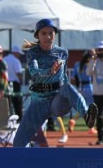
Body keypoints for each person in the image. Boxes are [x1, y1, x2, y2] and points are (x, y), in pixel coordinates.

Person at [13, 19, 98, 147]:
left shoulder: (63, 53)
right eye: (44, 33)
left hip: (57, 102)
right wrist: (50, 71)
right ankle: (28, 162)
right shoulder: (32, 53)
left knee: (67, 87)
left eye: (51, 33)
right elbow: (34, 72)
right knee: (18, 143)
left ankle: (87, 116)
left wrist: (72, 95)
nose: (48, 37)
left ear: (55, 34)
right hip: (39, 102)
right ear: (37, 36)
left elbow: (63, 77)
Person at [69, 49, 96, 134]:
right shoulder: (90, 64)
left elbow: (72, 79)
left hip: (80, 88)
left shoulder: (77, 64)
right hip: (89, 87)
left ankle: (74, 120)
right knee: (93, 108)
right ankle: (90, 126)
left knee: (84, 107)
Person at [86, 41, 103, 145]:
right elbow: (88, 72)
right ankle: (100, 138)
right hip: (97, 93)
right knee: (99, 116)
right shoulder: (94, 62)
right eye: (98, 50)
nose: (100, 52)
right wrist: (93, 60)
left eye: (101, 50)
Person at [3, 45, 24, 121]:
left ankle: (6, 119)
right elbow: (18, 73)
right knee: (17, 103)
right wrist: (20, 80)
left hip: (5, 83)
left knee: (6, 102)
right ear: (15, 53)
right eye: (18, 53)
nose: (19, 55)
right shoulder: (16, 61)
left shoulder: (4, 59)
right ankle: (19, 119)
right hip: (15, 84)